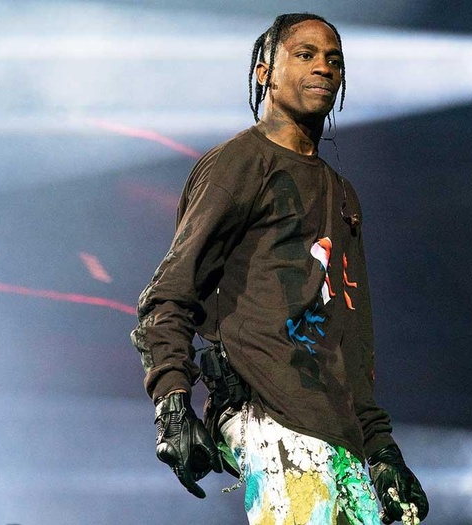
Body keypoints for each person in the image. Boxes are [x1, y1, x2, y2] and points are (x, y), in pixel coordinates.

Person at [131, 12, 429, 525]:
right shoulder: (240, 164)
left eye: (334, 59)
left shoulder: (342, 194)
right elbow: (169, 293)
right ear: (264, 72)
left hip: (336, 433)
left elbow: (351, 334)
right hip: (268, 414)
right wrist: (172, 403)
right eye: (305, 55)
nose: (324, 68)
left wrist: (381, 450)